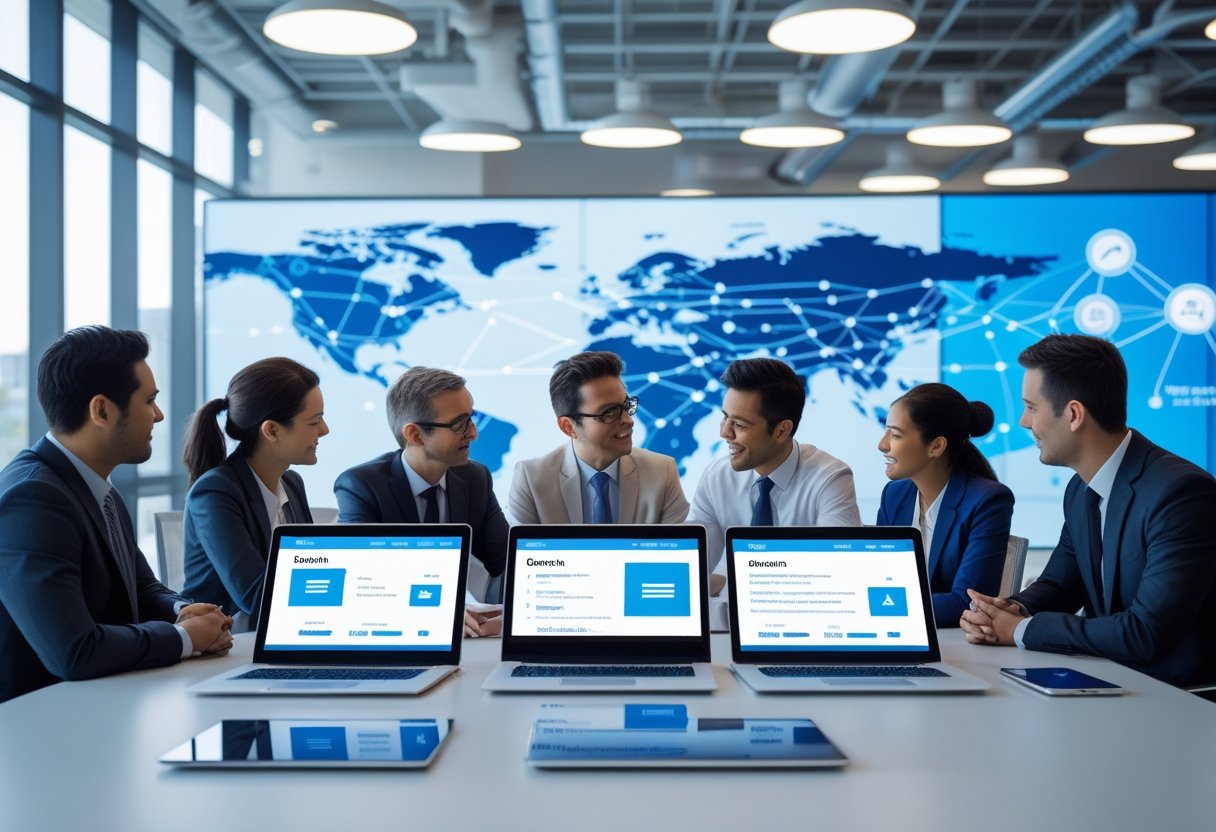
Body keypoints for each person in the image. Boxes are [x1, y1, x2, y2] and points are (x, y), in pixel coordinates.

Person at [962, 334, 1216, 689]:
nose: (1023, 421)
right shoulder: (1081, 488)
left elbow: (1146, 633)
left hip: (1178, 698)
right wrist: (1009, 611)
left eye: (1031, 408)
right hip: (1108, 681)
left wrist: (1021, 630)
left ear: (1074, 414)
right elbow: (1061, 583)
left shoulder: (1181, 494)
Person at [0, 326, 231, 703]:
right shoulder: (33, 497)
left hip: (98, 708)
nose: (158, 415)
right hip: (40, 730)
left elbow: (142, 589)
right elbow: (74, 651)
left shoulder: (94, 485)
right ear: (102, 410)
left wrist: (184, 610)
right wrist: (186, 637)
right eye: (149, 401)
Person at [334, 367, 507, 637]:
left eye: (471, 419)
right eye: (459, 424)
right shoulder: (361, 486)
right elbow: (360, 581)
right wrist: (436, 613)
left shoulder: (475, 478)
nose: (473, 433)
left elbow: (506, 562)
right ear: (414, 434)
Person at [687, 357, 862, 589]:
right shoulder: (716, 477)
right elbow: (691, 566)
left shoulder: (830, 479)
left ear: (782, 431)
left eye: (739, 425)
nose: (724, 433)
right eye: (724, 417)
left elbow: (838, 570)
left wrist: (727, 582)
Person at [181, 358, 327, 632]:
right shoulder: (215, 492)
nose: (324, 430)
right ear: (271, 430)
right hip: (228, 646)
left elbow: (312, 570)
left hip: (284, 636)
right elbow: (257, 598)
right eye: (315, 421)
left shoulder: (292, 484)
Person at [876, 383, 1014, 627]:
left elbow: (967, 602)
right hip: (898, 636)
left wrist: (879, 608)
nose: (883, 444)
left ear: (936, 446)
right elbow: (877, 579)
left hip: (954, 647)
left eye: (895, 435)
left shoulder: (988, 500)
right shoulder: (894, 495)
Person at [509, 351, 688, 526]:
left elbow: (676, 554)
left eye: (627, 406)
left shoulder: (662, 473)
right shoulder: (531, 480)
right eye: (609, 412)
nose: (628, 420)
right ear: (568, 427)